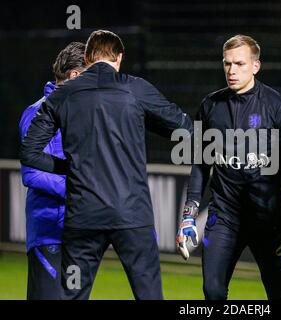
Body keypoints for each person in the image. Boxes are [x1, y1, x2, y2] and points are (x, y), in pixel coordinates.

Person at [20, 30, 193, 300]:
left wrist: (73, 172)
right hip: (128, 214)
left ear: (89, 58)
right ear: (119, 57)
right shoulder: (134, 89)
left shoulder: (63, 98)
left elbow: (29, 154)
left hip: (82, 216)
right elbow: (183, 128)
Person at [176, 35, 281, 300]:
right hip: (224, 218)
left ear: (256, 66)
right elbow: (200, 164)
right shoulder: (210, 106)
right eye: (227, 64)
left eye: (239, 63)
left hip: (269, 221)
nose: (231, 70)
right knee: (212, 292)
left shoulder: (279, 108)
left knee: (279, 293)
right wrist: (189, 213)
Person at [19, 42, 86, 300]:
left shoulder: (81, 113)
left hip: (79, 234)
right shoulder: (38, 112)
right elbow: (31, 174)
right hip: (49, 233)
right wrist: (77, 191)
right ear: (75, 75)